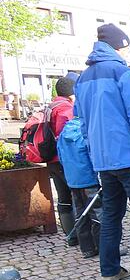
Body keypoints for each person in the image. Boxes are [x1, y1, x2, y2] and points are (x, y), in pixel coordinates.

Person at [74, 23, 130, 280]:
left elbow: (82, 120)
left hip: (102, 159)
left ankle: (109, 270)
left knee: (111, 213)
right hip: (129, 158)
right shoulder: (123, 73)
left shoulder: (82, 79)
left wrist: (93, 154)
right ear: (118, 46)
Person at [55, 74, 101, 259]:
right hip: (88, 179)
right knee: (98, 214)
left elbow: (61, 155)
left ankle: (87, 248)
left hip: (73, 179)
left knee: (80, 213)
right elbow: (93, 155)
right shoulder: (86, 130)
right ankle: (104, 247)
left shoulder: (66, 129)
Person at [47, 74, 78, 247]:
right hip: (64, 160)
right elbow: (70, 137)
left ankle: (70, 235)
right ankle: (78, 235)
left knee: (63, 197)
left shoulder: (51, 106)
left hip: (51, 160)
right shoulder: (66, 109)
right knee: (78, 197)